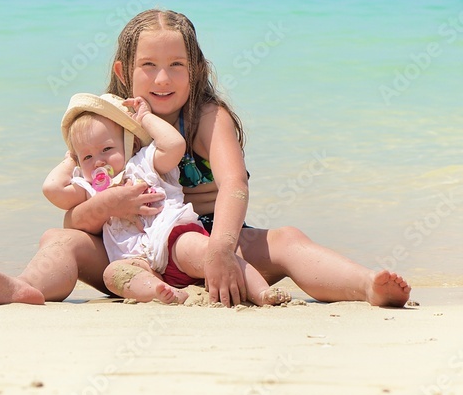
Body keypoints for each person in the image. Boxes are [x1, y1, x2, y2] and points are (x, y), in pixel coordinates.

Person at [0, 9, 411, 308]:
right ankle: (25, 288)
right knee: (57, 242)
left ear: (195, 69)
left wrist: (220, 247)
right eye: (148, 66)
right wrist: (107, 206)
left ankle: (366, 285)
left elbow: (234, 184)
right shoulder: (106, 125)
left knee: (288, 239)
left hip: (209, 243)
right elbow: (74, 216)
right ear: (124, 72)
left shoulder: (207, 117)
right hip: (127, 254)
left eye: (177, 65)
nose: (162, 78)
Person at [49, 92, 292, 306]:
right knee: (113, 274)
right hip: (137, 260)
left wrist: (145, 117)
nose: (98, 162)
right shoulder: (90, 188)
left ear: (129, 142)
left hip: (173, 241)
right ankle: (159, 291)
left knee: (207, 251)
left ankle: (261, 292)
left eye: (106, 149)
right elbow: (53, 190)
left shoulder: (144, 163)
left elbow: (175, 145)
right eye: (88, 156)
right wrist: (72, 158)